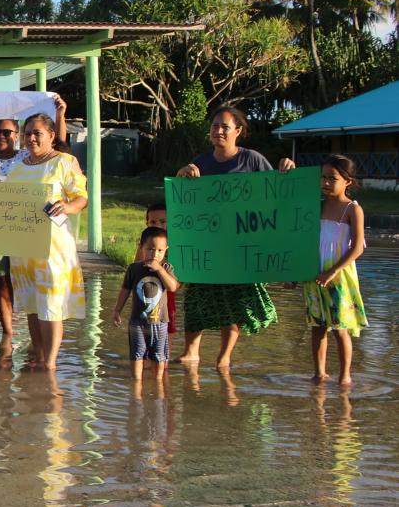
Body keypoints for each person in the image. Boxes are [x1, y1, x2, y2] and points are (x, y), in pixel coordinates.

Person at [174, 105, 295, 369]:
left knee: (235, 302)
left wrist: (287, 169)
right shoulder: (201, 162)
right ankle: (190, 351)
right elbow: (183, 201)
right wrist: (182, 174)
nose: (218, 131)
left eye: (225, 127)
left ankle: (224, 356)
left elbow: (276, 192)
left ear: (238, 131)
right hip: (208, 244)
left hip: (241, 246)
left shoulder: (252, 160)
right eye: (215, 126)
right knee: (196, 299)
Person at [0, 97, 67, 352]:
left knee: (30, 282)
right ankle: (8, 334)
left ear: (17, 134)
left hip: (27, 231)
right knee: (1, 279)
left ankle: (38, 341)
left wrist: (60, 114)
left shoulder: (28, 157)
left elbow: (61, 150)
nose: (1, 136)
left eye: (6, 131)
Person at [5, 112, 88, 370]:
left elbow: (81, 197)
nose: (31, 138)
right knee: (32, 304)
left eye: (37, 133)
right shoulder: (17, 166)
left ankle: (50, 364)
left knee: (51, 304)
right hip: (23, 247)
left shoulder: (65, 162)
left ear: (51, 136)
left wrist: (67, 206)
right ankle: (38, 356)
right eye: (27, 133)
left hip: (54, 246)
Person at [303, 155, 368, 386]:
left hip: (339, 275)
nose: (326, 182)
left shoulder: (352, 209)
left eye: (332, 178)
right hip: (314, 274)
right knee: (317, 326)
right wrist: (295, 274)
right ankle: (319, 373)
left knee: (340, 328)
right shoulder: (316, 206)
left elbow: (358, 248)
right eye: (323, 177)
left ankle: (344, 377)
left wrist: (333, 271)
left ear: (347, 181)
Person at [112, 227, 180, 381]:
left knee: (158, 354)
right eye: (150, 249)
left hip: (160, 321)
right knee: (137, 352)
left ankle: (158, 384)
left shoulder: (166, 268)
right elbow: (125, 290)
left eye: (160, 250)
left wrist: (159, 270)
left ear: (166, 251)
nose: (155, 254)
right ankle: (136, 384)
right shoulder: (134, 269)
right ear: (141, 247)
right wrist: (117, 310)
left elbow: (173, 287)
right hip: (137, 321)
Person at [144, 203, 178, 336]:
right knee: (144, 326)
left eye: (163, 221)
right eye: (153, 222)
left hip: (165, 294)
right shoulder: (145, 242)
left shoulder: (174, 243)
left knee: (167, 326)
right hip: (145, 293)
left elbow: (176, 282)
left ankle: (165, 355)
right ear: (147, 223)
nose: (157, 225)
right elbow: (136, 264)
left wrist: (159, 266)